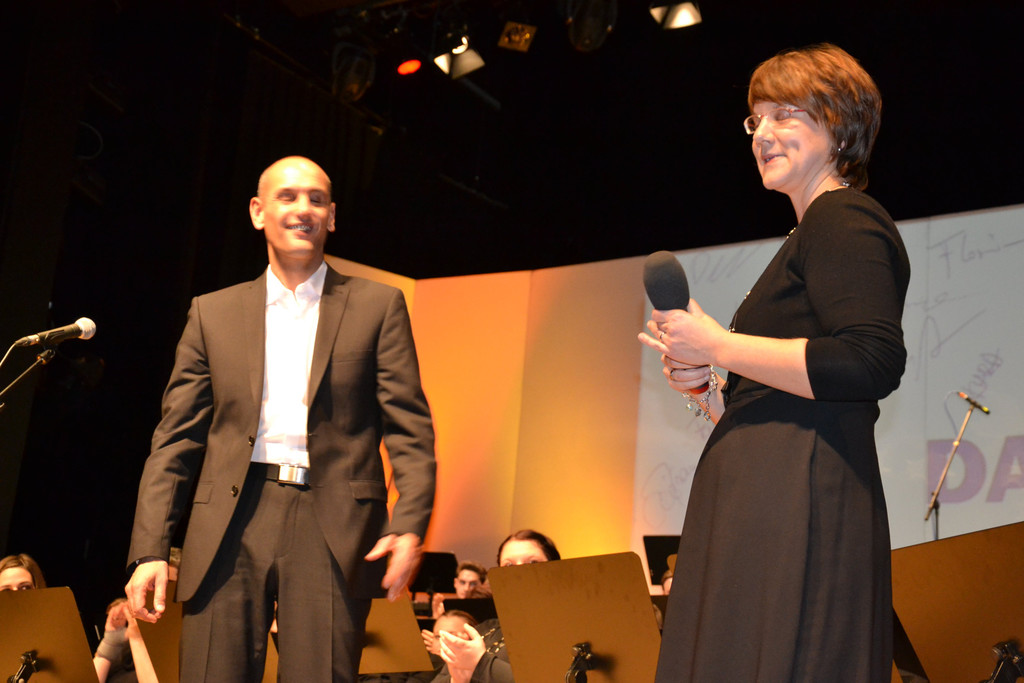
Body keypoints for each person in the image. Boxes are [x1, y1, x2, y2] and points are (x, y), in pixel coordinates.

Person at [638, 44, 908, 682]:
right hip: (770, 494)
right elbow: (787, 398)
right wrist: (712, 389)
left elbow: (870, 360)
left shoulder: (843, 216)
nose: (762, 133)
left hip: (798, 500)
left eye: (786, 114)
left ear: (839, 125)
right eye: (755, 119)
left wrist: (717, 345)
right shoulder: (810, 231)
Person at [125, 155, 437, 682]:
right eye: (287, 196)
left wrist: (409, 523)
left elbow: (410, 428)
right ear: (257, 212)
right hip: (229, 520)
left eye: (317, 199)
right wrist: (149, 549)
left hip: (333, 524)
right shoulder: (212, 313)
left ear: (332, 217)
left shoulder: (378, 306)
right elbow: (175, 439)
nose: (303, 209)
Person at [434, 530, 561, 683]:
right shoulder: (486, 629)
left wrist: (481, 664)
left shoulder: (565, 631)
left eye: (533, 562)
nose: (517, 571)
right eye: (508, 565)